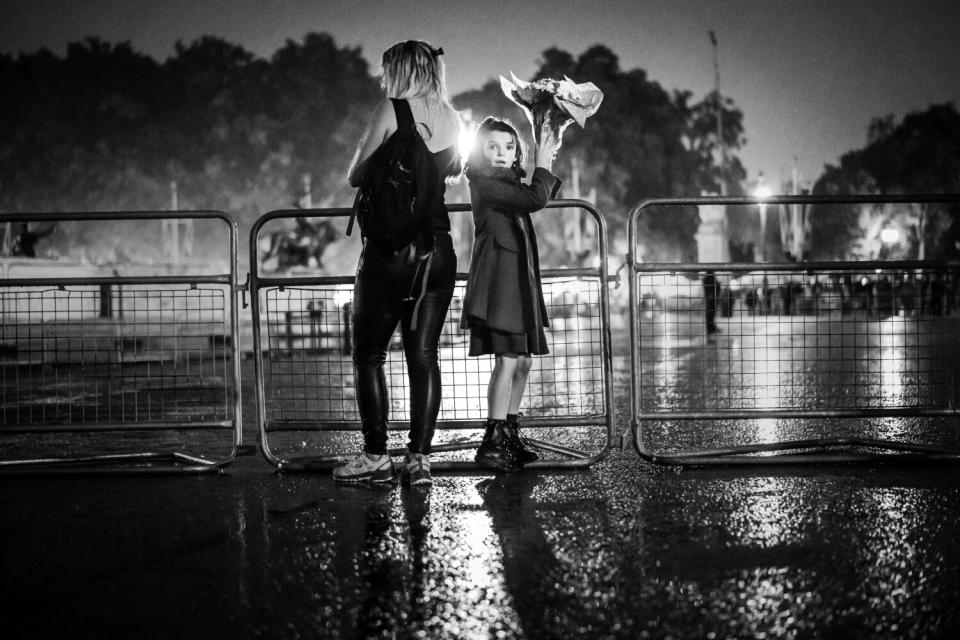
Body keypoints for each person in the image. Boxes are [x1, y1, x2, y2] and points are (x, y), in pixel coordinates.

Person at [336, 40, 462, 486]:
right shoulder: (453, 118)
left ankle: (375, 456)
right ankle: (420, 459)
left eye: (386, 69)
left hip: (391, 252)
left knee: (370, 355)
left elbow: (355, 174)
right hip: (438, 250)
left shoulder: (391, 110)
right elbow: (451, 172)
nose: (382, 77)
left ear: (400, 71)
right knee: (423, 355)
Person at [461, 116, 561, 472]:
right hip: (499, 282)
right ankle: (492, 441)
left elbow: (538, 194)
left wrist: (547, 146)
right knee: (506, 359)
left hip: (518, 279)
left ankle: (510, 431)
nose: (502, 153)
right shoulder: (484, 180)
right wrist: (543, 162)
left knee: (523, 360)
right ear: (479, 151)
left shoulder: (508, 183)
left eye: (508, 147)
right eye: (492, 146)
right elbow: (536, 197)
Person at [702, 270, 719, 336]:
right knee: (710, 313)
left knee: (711, 313)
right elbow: (710, 287)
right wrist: (710, 294)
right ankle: (710, 328)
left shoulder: (708, 278)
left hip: (711, 297)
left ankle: (711, 327)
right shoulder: (709, 278)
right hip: (711, 297)